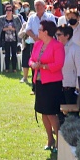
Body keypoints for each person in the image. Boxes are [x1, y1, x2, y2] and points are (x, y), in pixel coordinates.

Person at [29, 20, 65, 151]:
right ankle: (50, 138)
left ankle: (59, 142)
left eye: (39, 30)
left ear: (46, 32)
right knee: (43, 111)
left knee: (51, 113)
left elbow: (58, 64)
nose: (37, 32)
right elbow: (31, 59)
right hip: (39, 82)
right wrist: (33, 65)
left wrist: (43, 66)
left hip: (52, 83)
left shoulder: (57, 46)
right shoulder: (38, 44)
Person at [24, 0, 56, 84]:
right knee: (34, 63)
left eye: (39, 5)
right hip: (35, 44)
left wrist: (44, 38)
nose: (37, 7)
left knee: (46, 62)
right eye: (36, 5)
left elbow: (53, 29)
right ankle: (35, 85)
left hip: (47, 44)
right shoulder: (31, 18)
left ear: (44, 6)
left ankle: (47, 81)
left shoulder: (50, 17)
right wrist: (34, 37)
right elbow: (27, 29)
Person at [56, 25, 80, 113]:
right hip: (59, 85)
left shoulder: (76, 48)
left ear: (67, 36)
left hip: (71, 87)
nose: (57, 37)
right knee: (60, 112)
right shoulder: (57, 47)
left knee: (72, 113)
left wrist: (78, 86)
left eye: (59, 34)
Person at [0, 4, 24, 72]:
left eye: (10, 10)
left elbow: (20, 28)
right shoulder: (2, 18)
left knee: (14, 54)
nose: (8, 12)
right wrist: (7, 28)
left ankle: (14, 68)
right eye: (7, 10)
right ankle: (7, 68)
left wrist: (13, 29)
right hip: (5, 39)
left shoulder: (16, 18)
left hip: (14, 39)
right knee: (7, 54)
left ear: (12, 11)